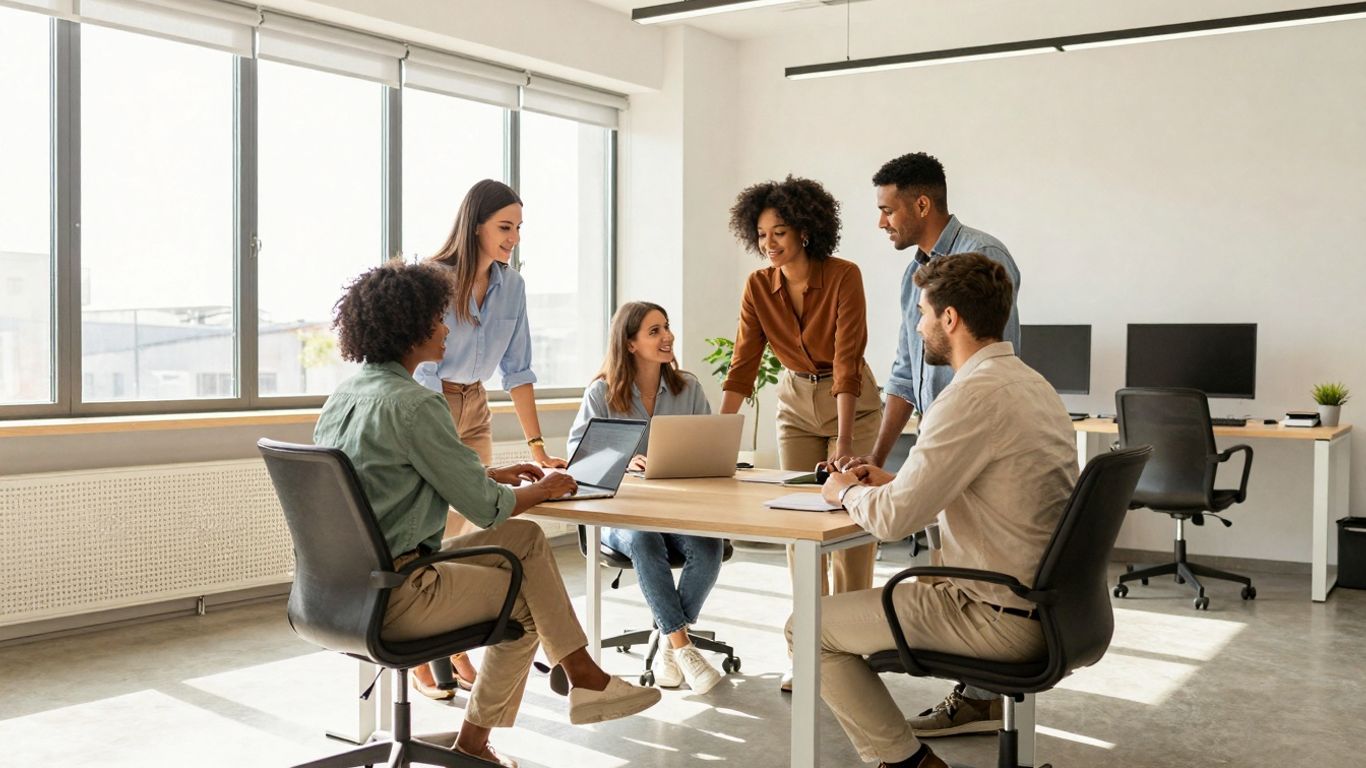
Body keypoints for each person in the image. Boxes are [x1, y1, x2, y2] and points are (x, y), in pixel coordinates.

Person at [314, 261, 661, 768]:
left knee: (523, 540)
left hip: (336, 590)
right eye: (437, 318)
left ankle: (584, 674)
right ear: (410, 328)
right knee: (523, 606)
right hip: (399, 591)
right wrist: (545, 487)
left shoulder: (344, 396)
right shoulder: (416, 404)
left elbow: (394, 474)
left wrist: (494, 472)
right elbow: (485, 509)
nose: (446, 328)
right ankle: (488, 739)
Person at [798, 252, 1077, 768]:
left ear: (950, 319)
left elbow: (893, 521)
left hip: (997, 614)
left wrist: (842, 491)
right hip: (1057, 609)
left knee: (809, 629)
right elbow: (985, 489)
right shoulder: (1034, 386)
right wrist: (900, 482)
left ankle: (908, 764)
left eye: (923, 313)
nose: (919, 325)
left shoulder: (968, 396)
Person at [830, 152, 1023, 734]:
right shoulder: (914, 272)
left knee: (965, 562)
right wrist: (879, 458)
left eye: (887, 210)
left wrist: (850, 490)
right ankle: (981, 695)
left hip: (967, 433)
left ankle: (980, 693)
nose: (880, 222)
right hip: (942, 436)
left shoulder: (983, 258)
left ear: (921, 204)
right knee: (952, 556)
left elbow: (986, 362)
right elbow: (901, 372)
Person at [720, 175, 884, 692]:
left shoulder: (843, 276)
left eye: (780, 233)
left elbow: (847, 357)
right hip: (794, 402)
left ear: (807, 232)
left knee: (852, 526)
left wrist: (844, 441)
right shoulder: (757, 286)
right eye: (763, 234)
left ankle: (853, 649)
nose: (769, 244)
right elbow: (744, 364)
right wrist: (720, 437)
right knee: (800, 530)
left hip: (851, 403)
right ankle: (806, 650)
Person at [413, 179, 567, 695]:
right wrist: (436, 429)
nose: (514, 238)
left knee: (464, 528)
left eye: (519, 228)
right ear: (474, 225)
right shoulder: (431, 280)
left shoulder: (513, 286)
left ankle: (448, 642)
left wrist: (538, 447)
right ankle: (426, 650)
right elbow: (420, 364)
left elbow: (518, 370)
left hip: (475, 405)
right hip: (427, 400)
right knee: (428, 526)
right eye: (505, 227)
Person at [566, 302, 727, 694]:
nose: (667, 336)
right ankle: (682, 645)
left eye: (666, 327)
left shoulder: (688, 389)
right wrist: (623, 462)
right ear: (631, 343)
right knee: (643, 539)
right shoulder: (601, 393)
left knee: (710, 549)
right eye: (654, 331)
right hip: (619, 516)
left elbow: (708, 449)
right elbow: (579, 464)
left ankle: (670, 642)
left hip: (674, 512)